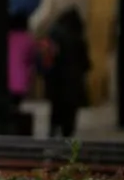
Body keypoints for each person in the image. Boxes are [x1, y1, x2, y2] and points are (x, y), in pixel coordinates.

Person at [38, 7, 91, 138]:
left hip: (56, 80)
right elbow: (85, 63)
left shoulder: (54, 34)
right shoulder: (78, 38)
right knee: (70, 112)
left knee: (56, 109)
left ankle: (53, 132)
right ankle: (67, 136)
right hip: (73, 81)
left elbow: (47, 56)